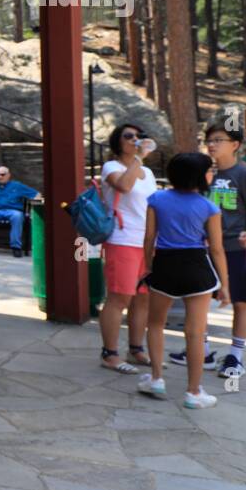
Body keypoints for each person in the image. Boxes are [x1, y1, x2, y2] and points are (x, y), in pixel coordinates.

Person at [168, 124, 246, 379]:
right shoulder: (203, 174)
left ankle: (235, 357)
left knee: (242, 301)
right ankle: (201, 351)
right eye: (209, 140)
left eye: (218, 140)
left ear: (235, 144)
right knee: (198, 300)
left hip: (238, 249)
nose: (211, 145)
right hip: (203, 250)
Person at [136, 152, 230, 409]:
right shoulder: (209, 207)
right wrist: (225, 285)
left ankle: (156, 379)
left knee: (155, 324)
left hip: (165, 265)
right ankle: (193, 392)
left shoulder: (156, 199)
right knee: (196, 333)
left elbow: (149, 238)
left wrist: (148, 267)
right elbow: (217, 250)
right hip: (197, 267)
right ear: (200, 176)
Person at [97, 124, 158, 373]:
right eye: (128, 136)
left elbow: (152, 205)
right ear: (117, 142)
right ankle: (109, 353)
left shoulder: (148, 172)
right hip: (122, 240)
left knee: (143, 298)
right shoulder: (112, 167)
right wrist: (139, 157)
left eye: (139, 136)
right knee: (119, 297)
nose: (135, 140)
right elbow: (123, 186)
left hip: (147, 242)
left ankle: (136, 349)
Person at [0, 166, 37, 257]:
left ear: (8, 175)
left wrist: (37, 205)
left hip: (14, 212)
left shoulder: (17, 186)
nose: (0, 177)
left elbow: (36, 194)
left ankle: (16, 247)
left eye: (3, 174)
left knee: (17, 216)